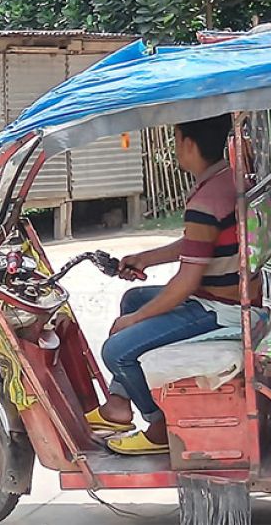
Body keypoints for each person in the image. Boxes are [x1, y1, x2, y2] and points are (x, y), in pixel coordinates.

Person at [90, 115, 256, 456]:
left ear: (188, 143)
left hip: (219, 309)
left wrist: (133, 323)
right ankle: (119, 406)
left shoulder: (206, 202)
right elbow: (201, 243)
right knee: (134, 297)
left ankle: (158, 424)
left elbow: (185, 283)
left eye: (177, 137)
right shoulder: (225, 181)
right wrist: (147, 258)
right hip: (222, 296)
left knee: (116, 349)